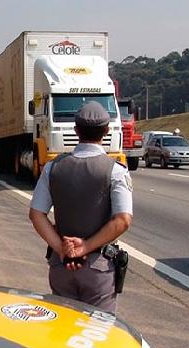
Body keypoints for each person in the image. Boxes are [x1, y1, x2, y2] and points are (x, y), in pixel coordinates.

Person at [29, 101, 133, 313]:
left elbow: (36, 214)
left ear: (76, 131)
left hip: (61, 266)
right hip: (98, 267)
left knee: (62, 330)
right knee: (96, 334)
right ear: (106, 131)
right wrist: (85, 248)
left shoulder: (53, 167)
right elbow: (122, 220)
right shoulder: (116, 171)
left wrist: (62, 249)